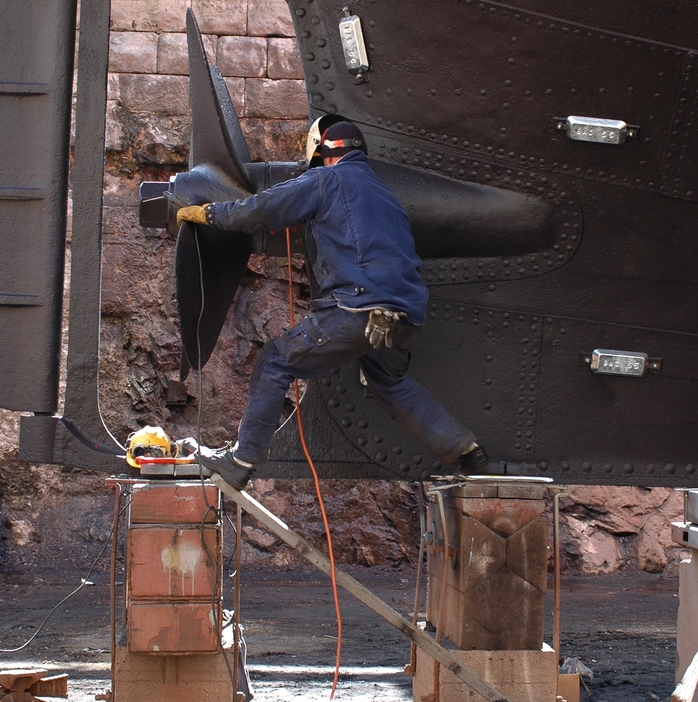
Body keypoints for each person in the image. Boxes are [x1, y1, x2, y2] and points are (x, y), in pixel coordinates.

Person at [176, 118, 489, 488]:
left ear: (322, 153)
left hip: (359, 307)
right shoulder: (387, 196)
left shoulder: (326, 179)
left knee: (275, 360)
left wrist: (211, 214)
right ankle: (464, 450)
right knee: (388, 382)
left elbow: (264, 208)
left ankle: (242, 461)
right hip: (405, 317)